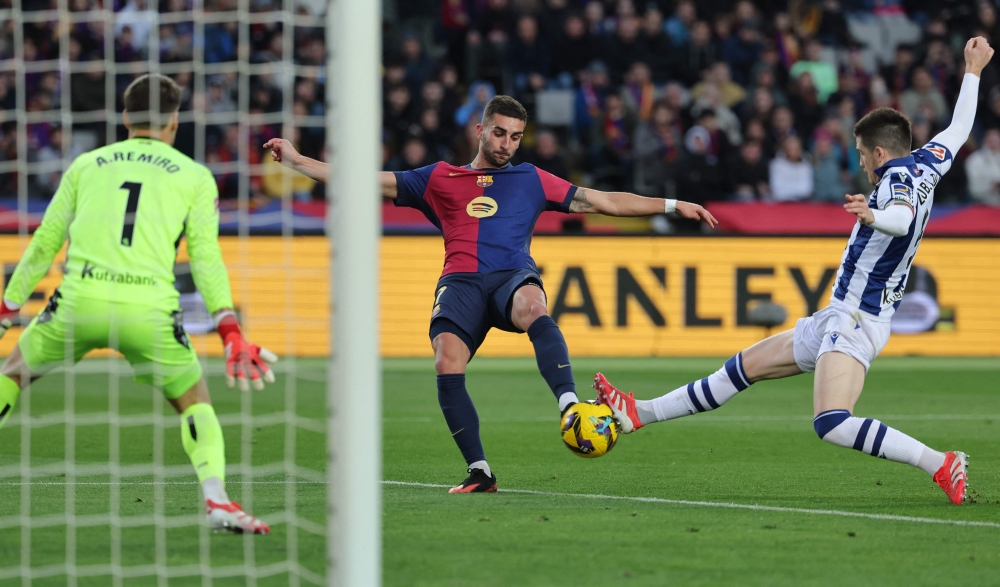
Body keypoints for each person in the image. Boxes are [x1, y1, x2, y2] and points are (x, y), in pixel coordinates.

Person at [592, 37, 994, 506]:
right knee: (741, 369)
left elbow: (901, 218)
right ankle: (635, 414)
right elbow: (960, 127)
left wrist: (872, 217)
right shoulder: (926, 163)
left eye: (863, 155)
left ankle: (940, 463)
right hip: (838, 314)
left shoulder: (897, 180)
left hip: (857, 321)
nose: (861, 163)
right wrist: (973, 70)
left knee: (832, 422)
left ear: (880, 154)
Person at [263, 95, 717, 493]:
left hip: (510, 275)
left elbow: (604, 201)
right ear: (480, 130)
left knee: (533, 305)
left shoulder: (531, 178)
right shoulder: (439, 178)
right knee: (446, 359)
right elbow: (366, 180)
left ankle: (568, 405)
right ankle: (479, 471)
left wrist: (674, 206)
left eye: (516, 137)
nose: (506, 144)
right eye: (499, 133)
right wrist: (297, 161)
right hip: (460, 282)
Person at [0, 75, 277, 532]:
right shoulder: (194, 176)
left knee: (12, 375)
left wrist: (9, 307)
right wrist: (229, 330)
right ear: (173, 120)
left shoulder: (87, 164)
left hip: (79, 299)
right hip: (148, 309)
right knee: (194, 402)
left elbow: (45, 240)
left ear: (125, 116)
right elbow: (206, 258)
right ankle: (217, 500)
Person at [965, 127, 1000, 205]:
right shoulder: (974, 160)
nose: (994, 143)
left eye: (996, 140)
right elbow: (972, 188)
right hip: (982, 203)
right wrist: (991, 186)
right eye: (991, 141)